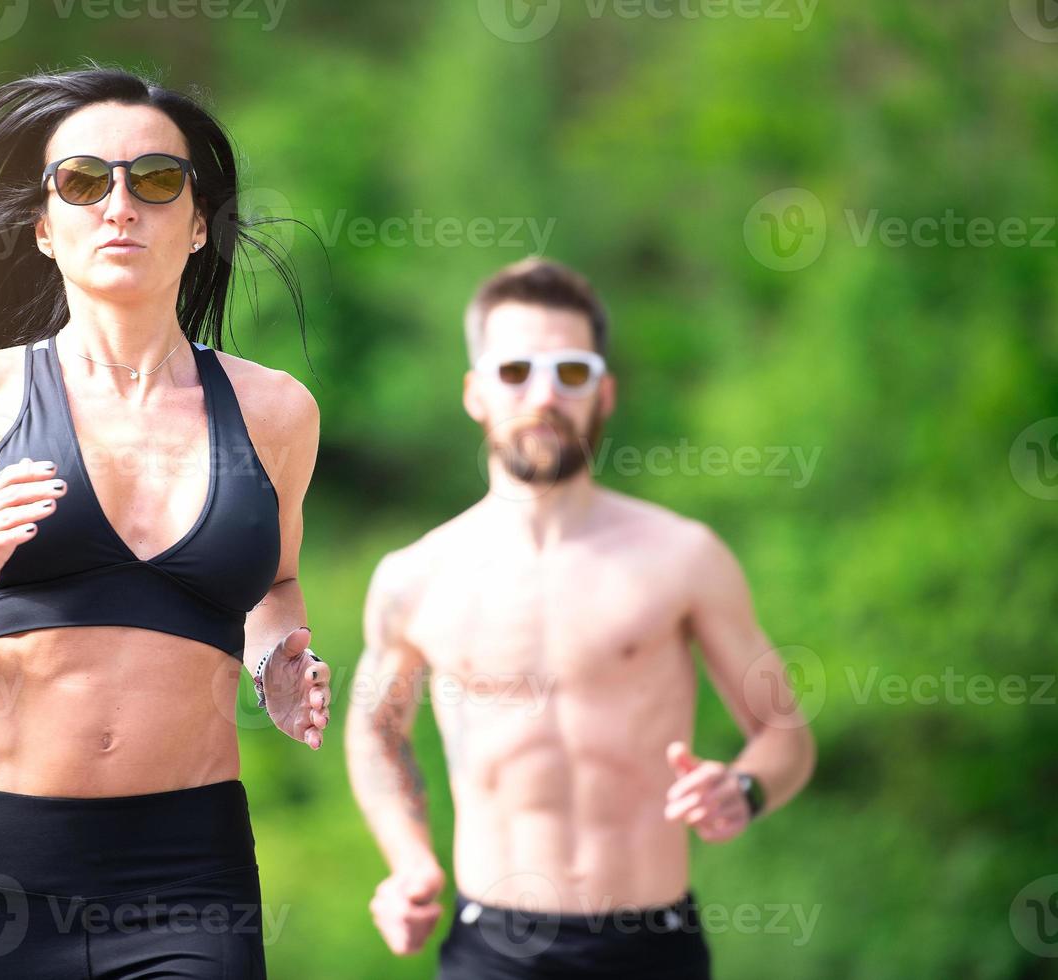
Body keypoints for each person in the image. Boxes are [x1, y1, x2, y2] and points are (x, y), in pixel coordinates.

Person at [0, 65, 330, 979]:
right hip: (0, 879)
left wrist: (275, 655)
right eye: (82, 182)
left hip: (192, 867)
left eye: (153, 180)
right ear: (43, 228)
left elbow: (276, 583)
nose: (119, 205)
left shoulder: (277, 412)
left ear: (196, 222)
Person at [344, 257, 817, 979]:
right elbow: (376, 733)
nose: (543, 395)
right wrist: (407, 863)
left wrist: (744, 790)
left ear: (604, 392)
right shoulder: (415, 578)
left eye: (569, 371)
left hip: (650, 944)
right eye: (514, 371)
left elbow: (783, 734)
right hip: (490, 948)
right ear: (474, 391)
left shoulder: (682, 556)